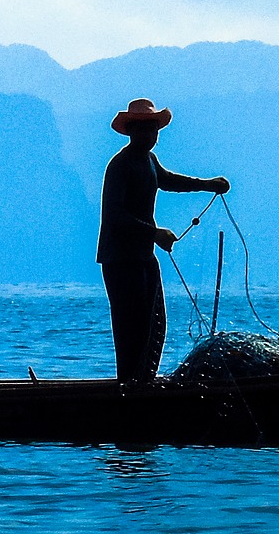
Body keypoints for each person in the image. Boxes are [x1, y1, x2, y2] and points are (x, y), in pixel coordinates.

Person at [98, 98, 230, 382]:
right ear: (132, 131)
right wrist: (154, 233)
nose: (152, 136)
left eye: (155, 130)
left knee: (155, 325)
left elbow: (169, 180)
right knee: (131, 328)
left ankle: (144, 381)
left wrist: (207, 185)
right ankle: (130, 387)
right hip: (120, 260)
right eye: (146, 130)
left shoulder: (149, 161)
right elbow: (115, 216)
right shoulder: (120, 166)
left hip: (144, 257)